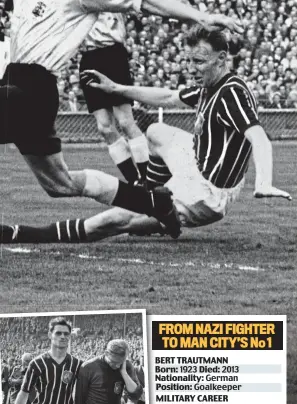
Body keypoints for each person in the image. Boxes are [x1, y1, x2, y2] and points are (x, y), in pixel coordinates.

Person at [0, 0, 240, 239]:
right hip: (13, 83)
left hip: (33, 91)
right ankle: (153, 202)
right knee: (60, 184)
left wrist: (199, 17)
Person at [3, 26, 291, 245]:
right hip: (195, 164)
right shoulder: (209, 86)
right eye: (189, 61)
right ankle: (150, 197)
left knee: (114, 220)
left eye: (199, 62)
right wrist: (117, 90)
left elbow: (259, 137)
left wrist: (264, 181)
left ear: (222, 59)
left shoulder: (232, 92)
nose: (191, 69)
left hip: (207, 193)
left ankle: (20, 234)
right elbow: (167, 96)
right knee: (156, 131)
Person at [79, 0, 149, 184]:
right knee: (105, 127)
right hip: (88, 59)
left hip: (112, 54)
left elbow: (142, 5)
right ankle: (134, 182)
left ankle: (149, 179)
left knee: (126, 121)